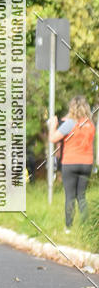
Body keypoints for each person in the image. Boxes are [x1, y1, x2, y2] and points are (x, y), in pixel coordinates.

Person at [49, 95, 96, 233]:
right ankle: (87, 226)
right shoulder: (90, 125)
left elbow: (53, 139)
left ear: (72, 108)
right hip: (86, 163)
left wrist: (53, 125)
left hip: (70, 163)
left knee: (70, 195)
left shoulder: (70, 123)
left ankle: (68, 227)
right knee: (81, 195)